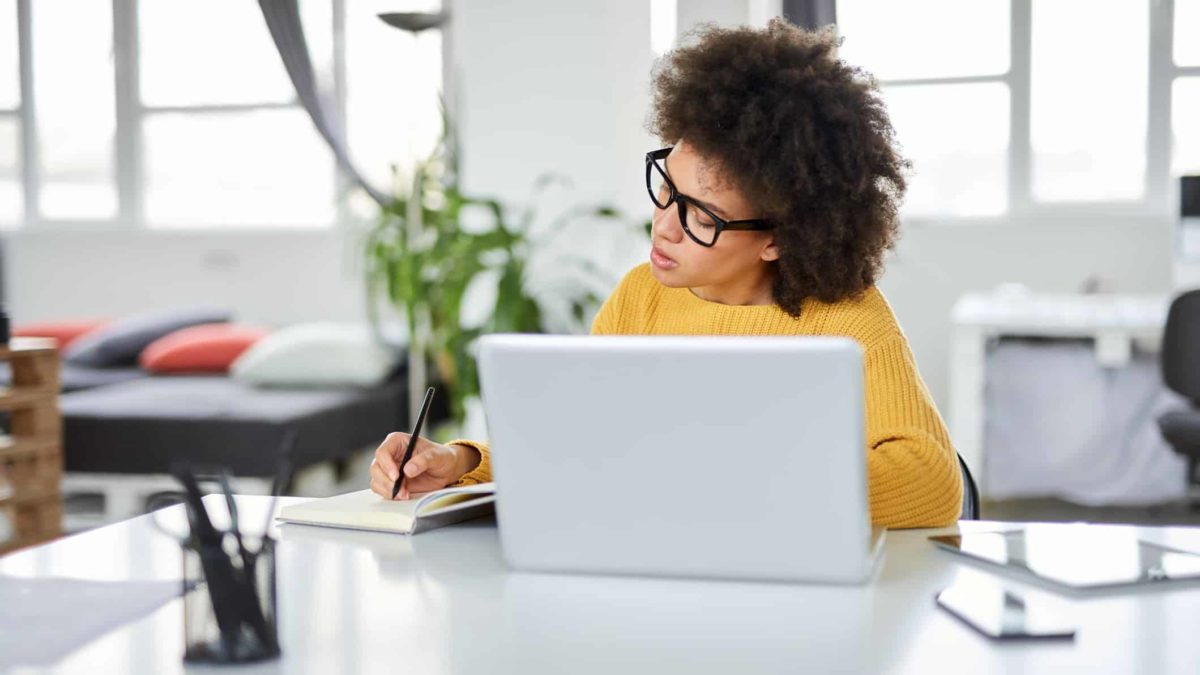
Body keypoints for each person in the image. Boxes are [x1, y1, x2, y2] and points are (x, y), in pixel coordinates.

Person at [369, 19, 962, 528]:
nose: (663, 227)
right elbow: (569, 445)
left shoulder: (847, 317)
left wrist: (747, 483)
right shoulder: (641, 297)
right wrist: (459, 463)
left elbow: (933, 482)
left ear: (779, 238)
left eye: (701, 216)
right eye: (667, 188)